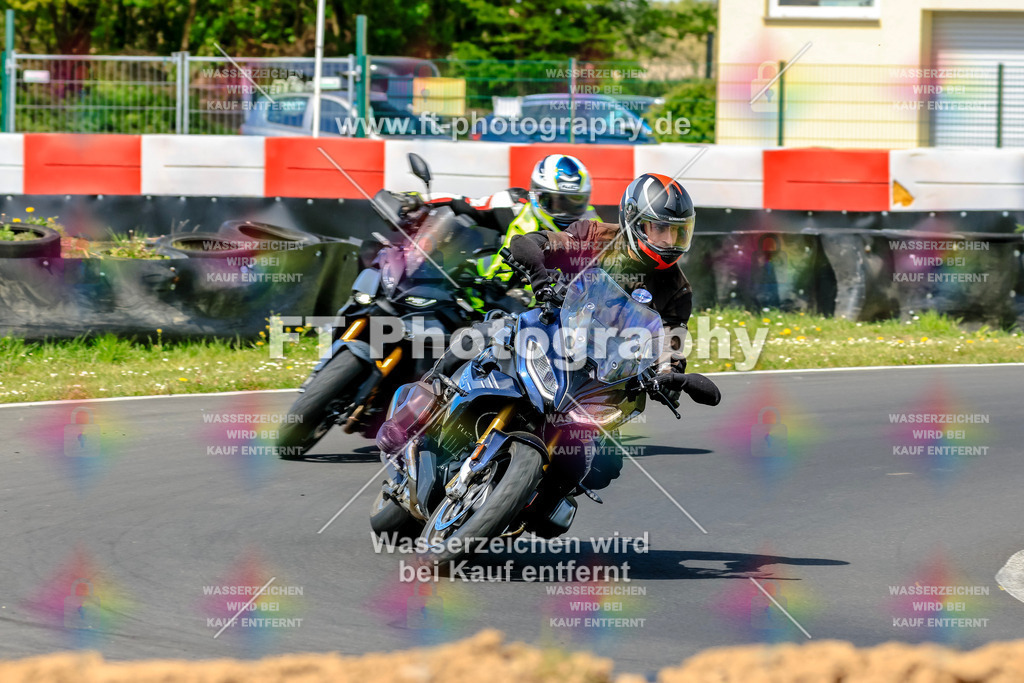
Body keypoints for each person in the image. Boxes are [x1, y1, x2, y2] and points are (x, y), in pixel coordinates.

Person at [402, 154, 599, 282]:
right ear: (537, 195)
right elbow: (464, 203)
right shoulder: (513, 204)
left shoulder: (593, 226)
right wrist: (419, 200)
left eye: (575, 202)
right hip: (491, 290)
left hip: (545, 310)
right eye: (557, 202)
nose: (565, 211)